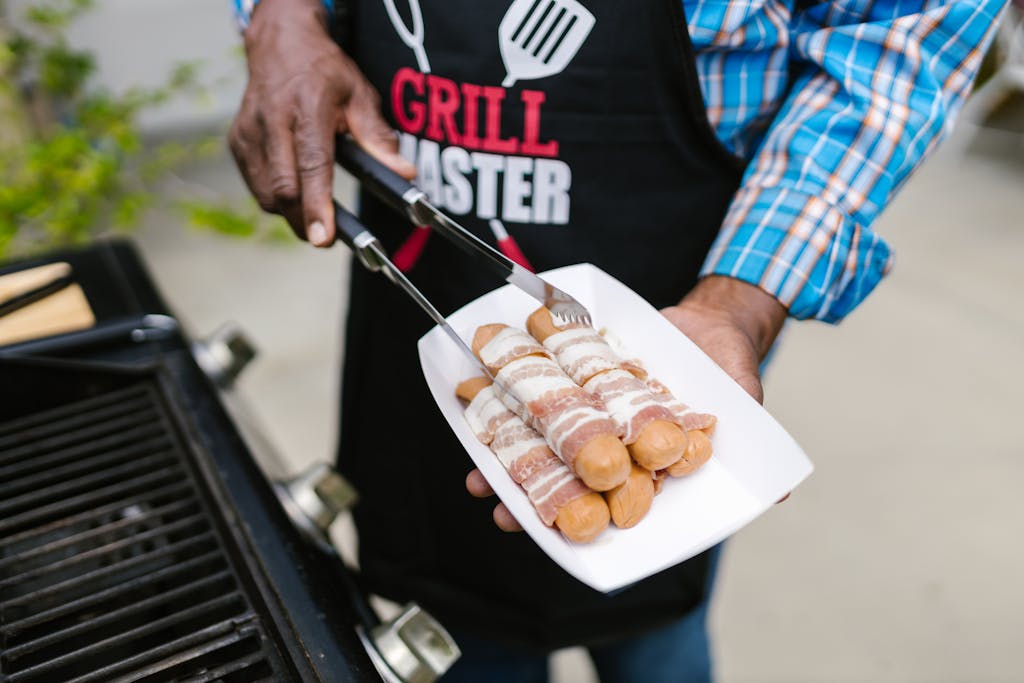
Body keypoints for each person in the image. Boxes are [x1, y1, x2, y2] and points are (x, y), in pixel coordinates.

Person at [228, 0, 1005, 680]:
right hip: (417, 272)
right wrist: (282, 12)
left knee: (655, 624)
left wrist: (741, 300)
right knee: (455, 622)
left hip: (682, 304)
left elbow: (899, 38)